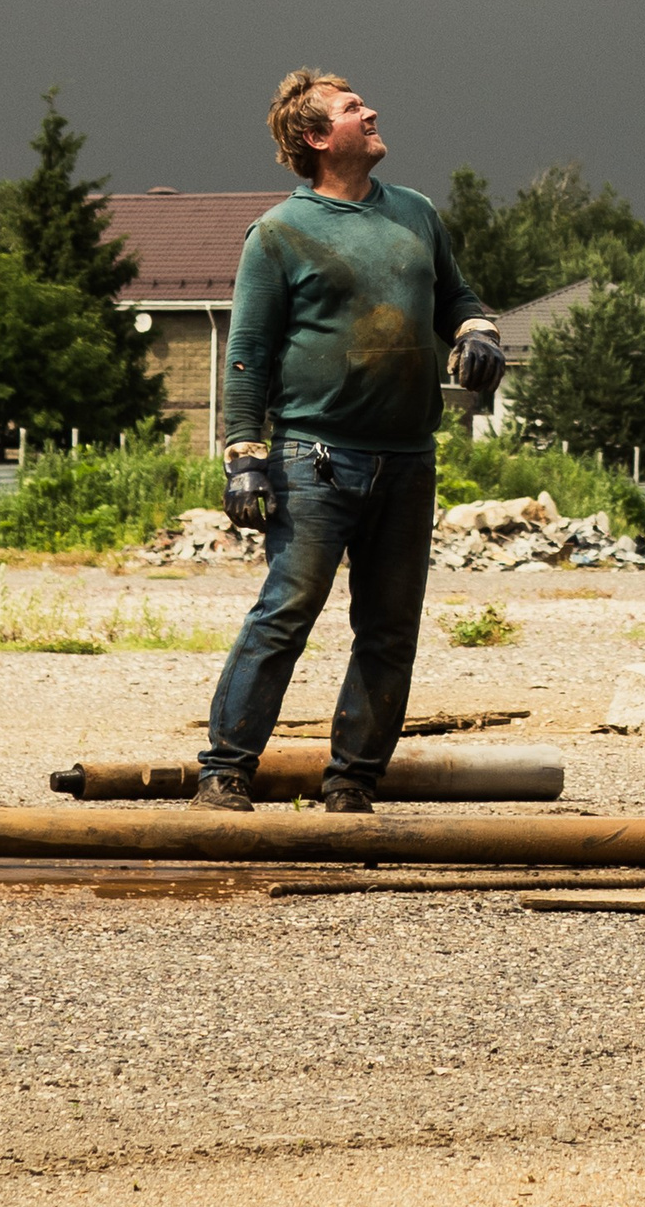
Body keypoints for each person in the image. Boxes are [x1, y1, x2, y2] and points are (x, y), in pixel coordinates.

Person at [197, 73, 505, 812]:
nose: (370, 112)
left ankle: (352, 784)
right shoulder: (278, 233)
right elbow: (248, 352)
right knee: (285, 614)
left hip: (408, 458)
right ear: (314, 136)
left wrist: (478, 330)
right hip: (314, 460)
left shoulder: (416, 212)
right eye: (350, 108)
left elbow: (455, 297)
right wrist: (244, 456)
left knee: (390, 629)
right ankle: (226, 771)